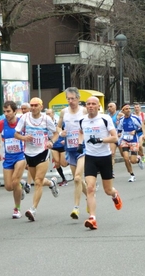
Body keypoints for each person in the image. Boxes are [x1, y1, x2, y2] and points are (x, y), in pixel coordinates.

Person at [77, 96, 122, 230]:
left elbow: (115, 137)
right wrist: (80, 143)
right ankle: (93, 218)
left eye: (93, 104)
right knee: (90, 188)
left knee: (107, 190)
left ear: (98, 106)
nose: (90, 106)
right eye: (88, 104)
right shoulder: (82, 120)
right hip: (90, 157)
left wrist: (100, 140)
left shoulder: (105, 119)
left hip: (104, 157)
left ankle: (115, 195)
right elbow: (80, 132)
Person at [14, 97, 59, 221]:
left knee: (38, 182)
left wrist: (51, 141)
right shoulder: (25, 118)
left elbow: (56, 133)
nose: (33, 108)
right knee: (37, 180)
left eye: (35, 105)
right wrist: (23, 138)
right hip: (29, 153)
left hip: (42, 152)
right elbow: (16, 133)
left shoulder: (46, 119)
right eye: (31, 105)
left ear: (41, 106)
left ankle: (32, 209)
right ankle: (51, 183)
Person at [57, 87, 87, 219]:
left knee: (77, 178)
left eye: (72, 98)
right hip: (70, 148)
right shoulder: (64, 112)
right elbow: (58, 126)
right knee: (78, 179)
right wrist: (60, 132)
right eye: (68, 99)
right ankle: (90, 196)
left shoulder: (84, 111)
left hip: (83, 148)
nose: (70, 101)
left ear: (78, 99)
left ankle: (76, 208)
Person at [0, 101, 27, 219]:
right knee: (8, 187)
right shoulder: (0, 124)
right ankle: (21, 184)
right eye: (4, 112)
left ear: (15, 111)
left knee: (14, 181)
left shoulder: (21, 122)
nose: (6, 114)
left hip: (20, 156)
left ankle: (17, 208)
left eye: (8, 111)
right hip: (8, 158)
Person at [117, 103, 144, 182]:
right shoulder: (121, 120)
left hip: (133, 140)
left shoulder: (135, 118)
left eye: (129, 108)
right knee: (125, 158)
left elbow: (142, 128)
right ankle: (132, 175)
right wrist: (119, 133)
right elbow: (119, 129)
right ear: (123, 110)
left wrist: (135, 131)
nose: (128, 110)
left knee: (133, 161)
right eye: (126, 109)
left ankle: (138, 159)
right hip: (125, 140)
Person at [45, 108, 69, 186]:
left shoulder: (59, 123)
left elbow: (67, 131)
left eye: (49, 113)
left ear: (53, 114)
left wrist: (65, 140)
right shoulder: (45, 123)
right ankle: (64, 179)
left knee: (64, 164)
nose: (48, 115)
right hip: (53, 146)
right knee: (57, 163)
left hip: (62, 145)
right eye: (47, 114)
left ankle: (73, 161)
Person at [20, 103, 33, 187]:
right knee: (26, 165)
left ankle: (28, 183)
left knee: (29, 165)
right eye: (22, 109)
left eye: (25, 109)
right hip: (22, 144)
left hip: (32, 145)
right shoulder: (20, 118)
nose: (23, 110)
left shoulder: (32, 118)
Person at [107, 102, 120, 174]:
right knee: (112, 154)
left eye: (111, 106)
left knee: (124, 156)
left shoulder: (119, 114)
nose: (109, 108)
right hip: (113, 137)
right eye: (108, 107)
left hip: (121, 137)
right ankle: (111, 171)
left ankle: (137, 159)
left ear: (115, 107)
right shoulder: (107, 116)